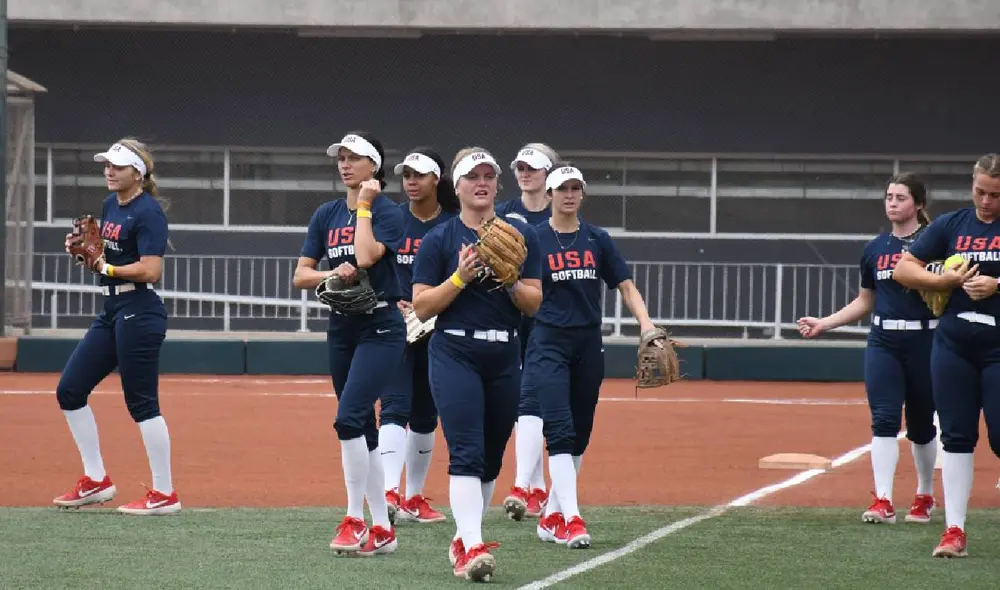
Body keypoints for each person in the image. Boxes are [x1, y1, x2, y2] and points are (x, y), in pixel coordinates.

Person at [411, 147, 543, 581]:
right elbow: (422, 306)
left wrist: (510, 281)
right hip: (455, 351)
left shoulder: (520, 236)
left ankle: (464, 537)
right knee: (466, 452)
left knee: (490, 457)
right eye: (472, 176)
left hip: (504, 353)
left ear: (497, 184)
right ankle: (472, 546)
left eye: (488, 176)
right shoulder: (440, 239)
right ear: (458, 185)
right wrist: (459, 278)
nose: (481, 183)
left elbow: (534, 302)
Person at [523, 164, 655, 548]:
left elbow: (625, 286)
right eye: (562, 188)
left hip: (587, 342)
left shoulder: (597, 238)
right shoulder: (533, 239)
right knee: (560, 430)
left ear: (582, 193)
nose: (569, 194)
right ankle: (572, 519)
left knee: (579, 434)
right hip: (547, 342)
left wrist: (646, 324)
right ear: (549, 194)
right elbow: (516, 289)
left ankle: (551, 516)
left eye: (575, 188)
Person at [797, 172, 939, 527]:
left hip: (925, 341)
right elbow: (865, 301)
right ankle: (883, 500)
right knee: (885, 419)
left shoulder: (935, 244)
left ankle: (924, 495)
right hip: (884, 341)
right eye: (889, 196)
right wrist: (824, 323)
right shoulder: (876, 248)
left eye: (901, 197)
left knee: (922, 424)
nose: (892, 203)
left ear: (918, 204)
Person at [293, 131, 406, 557]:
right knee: (361, 428)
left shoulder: (389, 212)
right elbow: (301, 275)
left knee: (347, 420)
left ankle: (354, 518)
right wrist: (330, 275)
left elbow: (366, 256)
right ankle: (383, 529)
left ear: (374, 166)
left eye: (354, 157)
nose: (344, 164)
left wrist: (363, 207)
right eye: (340, 157)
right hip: (341, 327)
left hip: (381, 325)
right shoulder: (325, 214)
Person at [52, 138, 179, 516]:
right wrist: (83, 250)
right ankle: (96, 480)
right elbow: (104, 254)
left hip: (140, 309)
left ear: (137, 173)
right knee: (70, 390)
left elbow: (151, 270)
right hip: (113, 308)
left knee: (142, 403)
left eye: (118, 166)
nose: (109, 171)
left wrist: (104, 266)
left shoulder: (149, 211)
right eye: (107, 165)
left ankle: (165, 493)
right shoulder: (111, 204)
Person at [892, 154, 1000, 559]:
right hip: (953, 344)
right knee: (955, 436)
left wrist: (997, 284)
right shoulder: (952, 224)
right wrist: (945, 281)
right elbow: (904, 269)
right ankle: (955, 529)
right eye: (980, 192)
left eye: (995, 195)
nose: (986, 201)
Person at [378, 147, 458, 524]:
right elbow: (372, 265)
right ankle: (388, 492)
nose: (411, 181)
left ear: (437, 179)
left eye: (419, 175)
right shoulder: (393, 220)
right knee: (394, 406)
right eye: (406, 175)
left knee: (426, 415)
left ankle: (413, 497)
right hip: (396, 327)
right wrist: (389, 299)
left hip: (438, 330)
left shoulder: (453, 225)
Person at [497, 142, 560, 521]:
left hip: (550, 317)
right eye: (520, 167)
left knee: (534, 399)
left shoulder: (560, 213)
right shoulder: (504, 213)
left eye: (533, 168)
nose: (525, 173)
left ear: (549, 173)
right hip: (512, 315)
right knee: (521, 402)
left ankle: (530, 486)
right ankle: (534, 487)